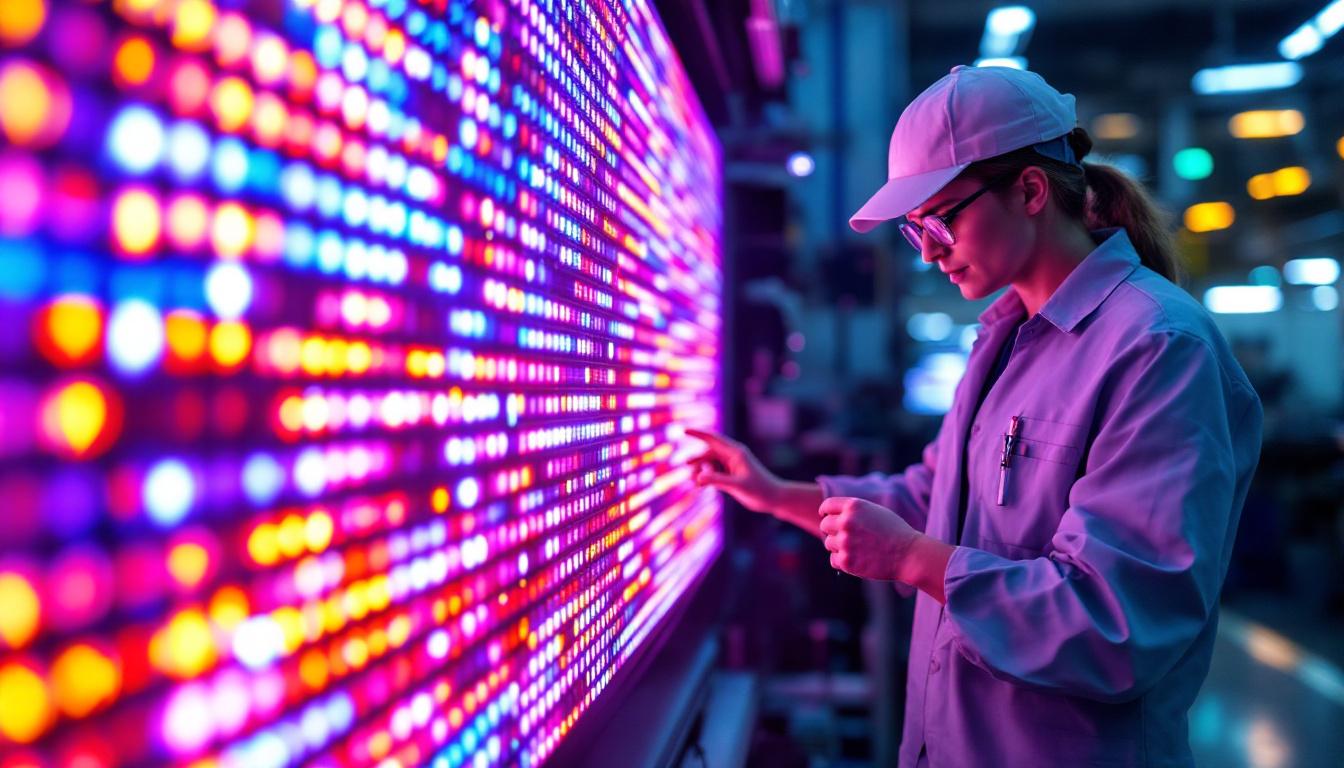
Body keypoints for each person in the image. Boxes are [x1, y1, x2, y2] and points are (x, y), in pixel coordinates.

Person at [688, 65, 1262, 768]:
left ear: (1029, 190)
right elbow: (934, 501)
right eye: (911, 228)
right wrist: (777, 495)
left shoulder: (1157, 348)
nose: (927, 249)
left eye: (940, 217)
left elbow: (1118, 624)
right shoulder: (1003, 339)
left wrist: (910, 558)